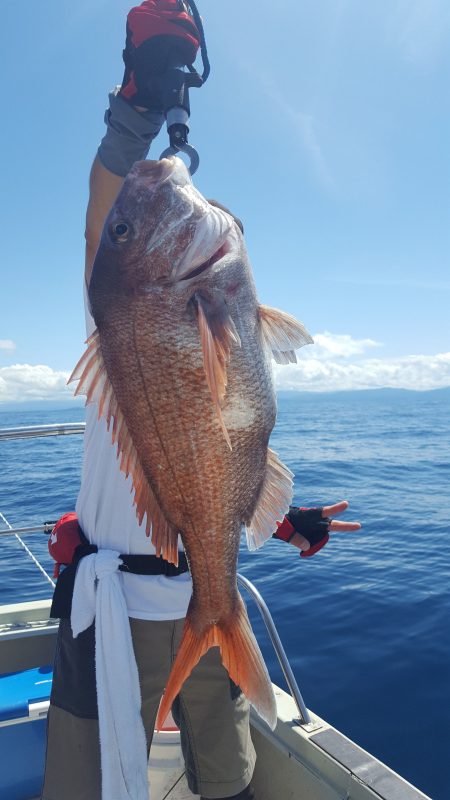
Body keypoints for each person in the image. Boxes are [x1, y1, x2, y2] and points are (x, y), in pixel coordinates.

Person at [41, 4, 361, 800]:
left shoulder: (212, 306)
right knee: (86, 780)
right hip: (113, 602)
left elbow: (225, 441)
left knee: (227, 779)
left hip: (201, 586)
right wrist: (136, 108)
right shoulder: (115, 308)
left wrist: (283, 519)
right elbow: (104, 204)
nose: (118, 232)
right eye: (117, 238)